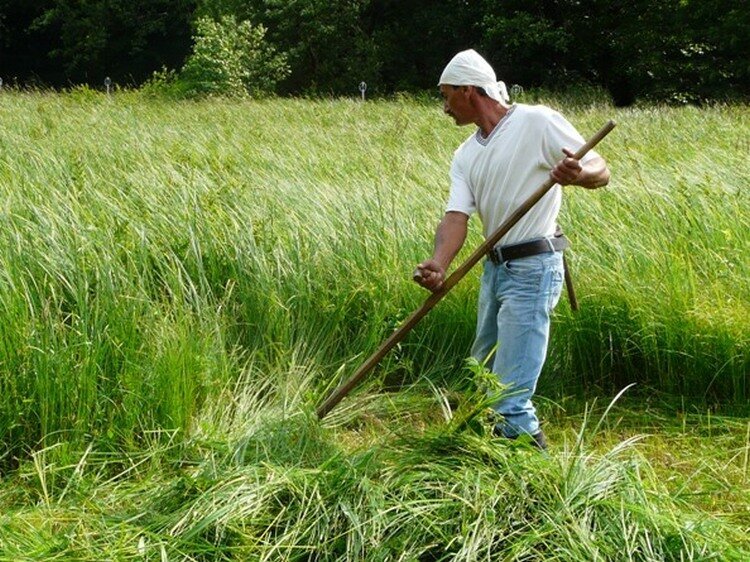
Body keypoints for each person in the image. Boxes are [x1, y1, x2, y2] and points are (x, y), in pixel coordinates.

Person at [414, 49, 610, 449]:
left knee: (509, 397)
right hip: (495, 269)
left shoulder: (536, 122)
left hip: (534, 266)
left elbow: (601, 170)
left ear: (468, 90)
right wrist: (438, 264)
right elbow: (456, 217)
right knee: (481, 374)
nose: (444, 106)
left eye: (445, 94)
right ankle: (481, 460)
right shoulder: (466, 154)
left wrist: (577, 174)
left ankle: (541, 490)